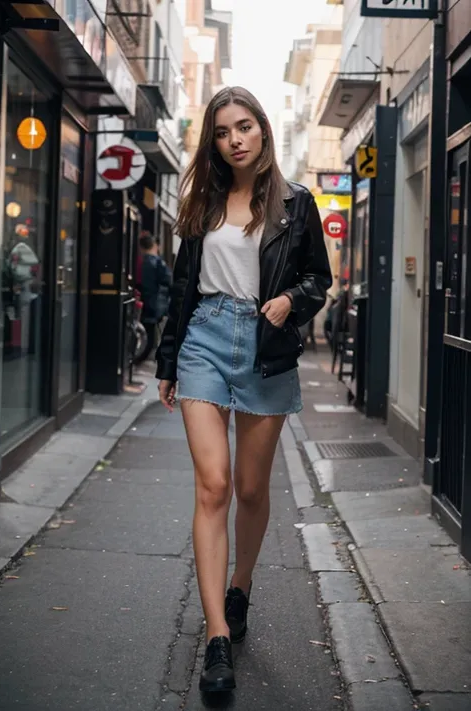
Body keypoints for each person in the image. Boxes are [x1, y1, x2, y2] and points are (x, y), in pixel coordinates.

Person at [156, 86, 332, 694]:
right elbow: (183, 286)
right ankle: (216, 637)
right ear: (215, 141)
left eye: (244, 126)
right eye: (223, 131)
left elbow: (319, 279)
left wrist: (290, 301)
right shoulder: (203, 201)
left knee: (252, 489)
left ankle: (242, 586)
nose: (235, 139)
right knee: (215, 485)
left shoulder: (296, 203)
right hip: (205, 337)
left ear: (263, 131)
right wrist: (168, 359)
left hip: (266, 346)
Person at [137, 233, 171, 363]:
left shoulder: (140, 261)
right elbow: (169, 281)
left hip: (144, 301)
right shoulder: (157, 263)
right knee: (150, 335)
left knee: (147, 332)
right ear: (154, 246)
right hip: (154, 303)